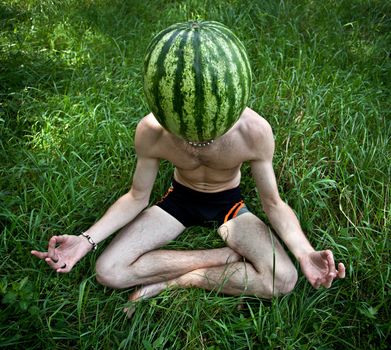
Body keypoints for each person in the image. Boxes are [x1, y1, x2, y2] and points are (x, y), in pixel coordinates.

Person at [31, 22, 345, 317]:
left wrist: (304, 253)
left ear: (229, 98)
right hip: (178, 200)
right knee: (108, 271)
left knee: (284, 279)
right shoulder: (152, 130)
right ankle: (222, 258)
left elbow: (272, 203)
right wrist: (86, 240)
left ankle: (179, 280)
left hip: (229, 205)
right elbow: (137, 196)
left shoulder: (253, 131)